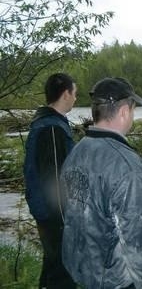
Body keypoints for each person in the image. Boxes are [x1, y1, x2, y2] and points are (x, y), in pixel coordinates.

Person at [60, 77, 142, 289]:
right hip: (117, 280)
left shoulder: (77, 151)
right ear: (124, 112)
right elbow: (141, 244)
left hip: (84, 271)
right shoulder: (127, 167)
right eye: (133, 110)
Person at [23, 73, 77, 288]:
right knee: (62, 273)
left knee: (52, 267)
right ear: (66, 94)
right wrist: (66, 220)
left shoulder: (46, 123)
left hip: (47, 212)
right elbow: (53, 179)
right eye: (75, 93)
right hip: (56, 215)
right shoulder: (52, 129)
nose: (75, 98)